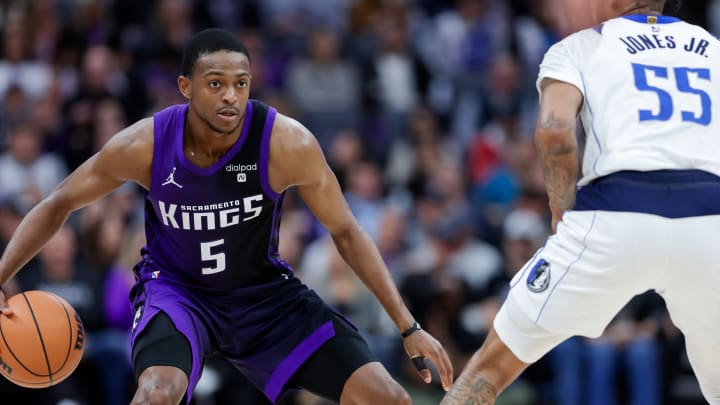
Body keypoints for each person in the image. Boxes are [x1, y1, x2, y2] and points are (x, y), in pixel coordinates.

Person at [0, 28, 453, 405]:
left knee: (389, 398)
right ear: (186, 87)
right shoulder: (148, 144)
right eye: (215, 83)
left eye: (241, 83)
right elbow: (58, 201)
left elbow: (347, 232)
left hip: (264, 296)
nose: (230, 96)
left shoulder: (286, 143)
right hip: (178, 293)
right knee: (157, 394)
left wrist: (408, 325)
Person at [441, 1, 720, 404]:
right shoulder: (711, 46)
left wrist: (560, 208)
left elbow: (554, 130)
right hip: (711, 219)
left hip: (617, 212)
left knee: (490, 367)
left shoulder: (581, 46)